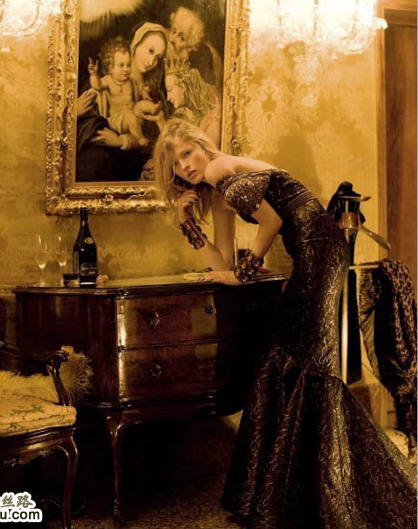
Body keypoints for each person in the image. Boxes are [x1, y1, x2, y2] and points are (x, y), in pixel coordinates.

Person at [153, 120, 416, 529]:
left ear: (201, 146)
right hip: (311, 251)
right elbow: (221, 261)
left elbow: (271, 221)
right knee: (287, 358)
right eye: (175, 164)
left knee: (309, 363)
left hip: (319, 249)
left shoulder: (218, 168)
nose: (185, 166)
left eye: (187, 153)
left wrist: (244, 272)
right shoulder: (218, 189)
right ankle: (291, 488)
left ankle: (331, 488)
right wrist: (185, 222)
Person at [76, 23, 168, 181]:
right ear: (136, 44)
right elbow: (87, 125)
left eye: (157, 58)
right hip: (106, 159)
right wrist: (74, 111)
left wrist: (122, 141)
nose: (151, 60)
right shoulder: (107, 81)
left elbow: (153, 145)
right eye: (150, 50)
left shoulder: (153, 93)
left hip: (133, 167)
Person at [88, 37, 162, 147]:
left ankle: (153, 108)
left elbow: (138, 90)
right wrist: (94, 74)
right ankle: (140, 138)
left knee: (141, 105)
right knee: (129, 117)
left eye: (128, 65)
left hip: (135, 116)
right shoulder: (108, 81)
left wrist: (143, 93)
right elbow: (97, 85)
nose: (126, 69)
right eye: (121, 65)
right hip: (118, 121)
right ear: (111, 68)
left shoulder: (130, 81)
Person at [165, 62, 221, 146]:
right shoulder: (180, 116)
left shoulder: (212, 101)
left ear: (183, 87)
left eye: (170, 90)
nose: (168, 98)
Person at [167, 6, 223, 87]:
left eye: (182, 38)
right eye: (174, 31)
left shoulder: (203, 56)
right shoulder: (162, 43)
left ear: (190, 44)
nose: (172, 39)